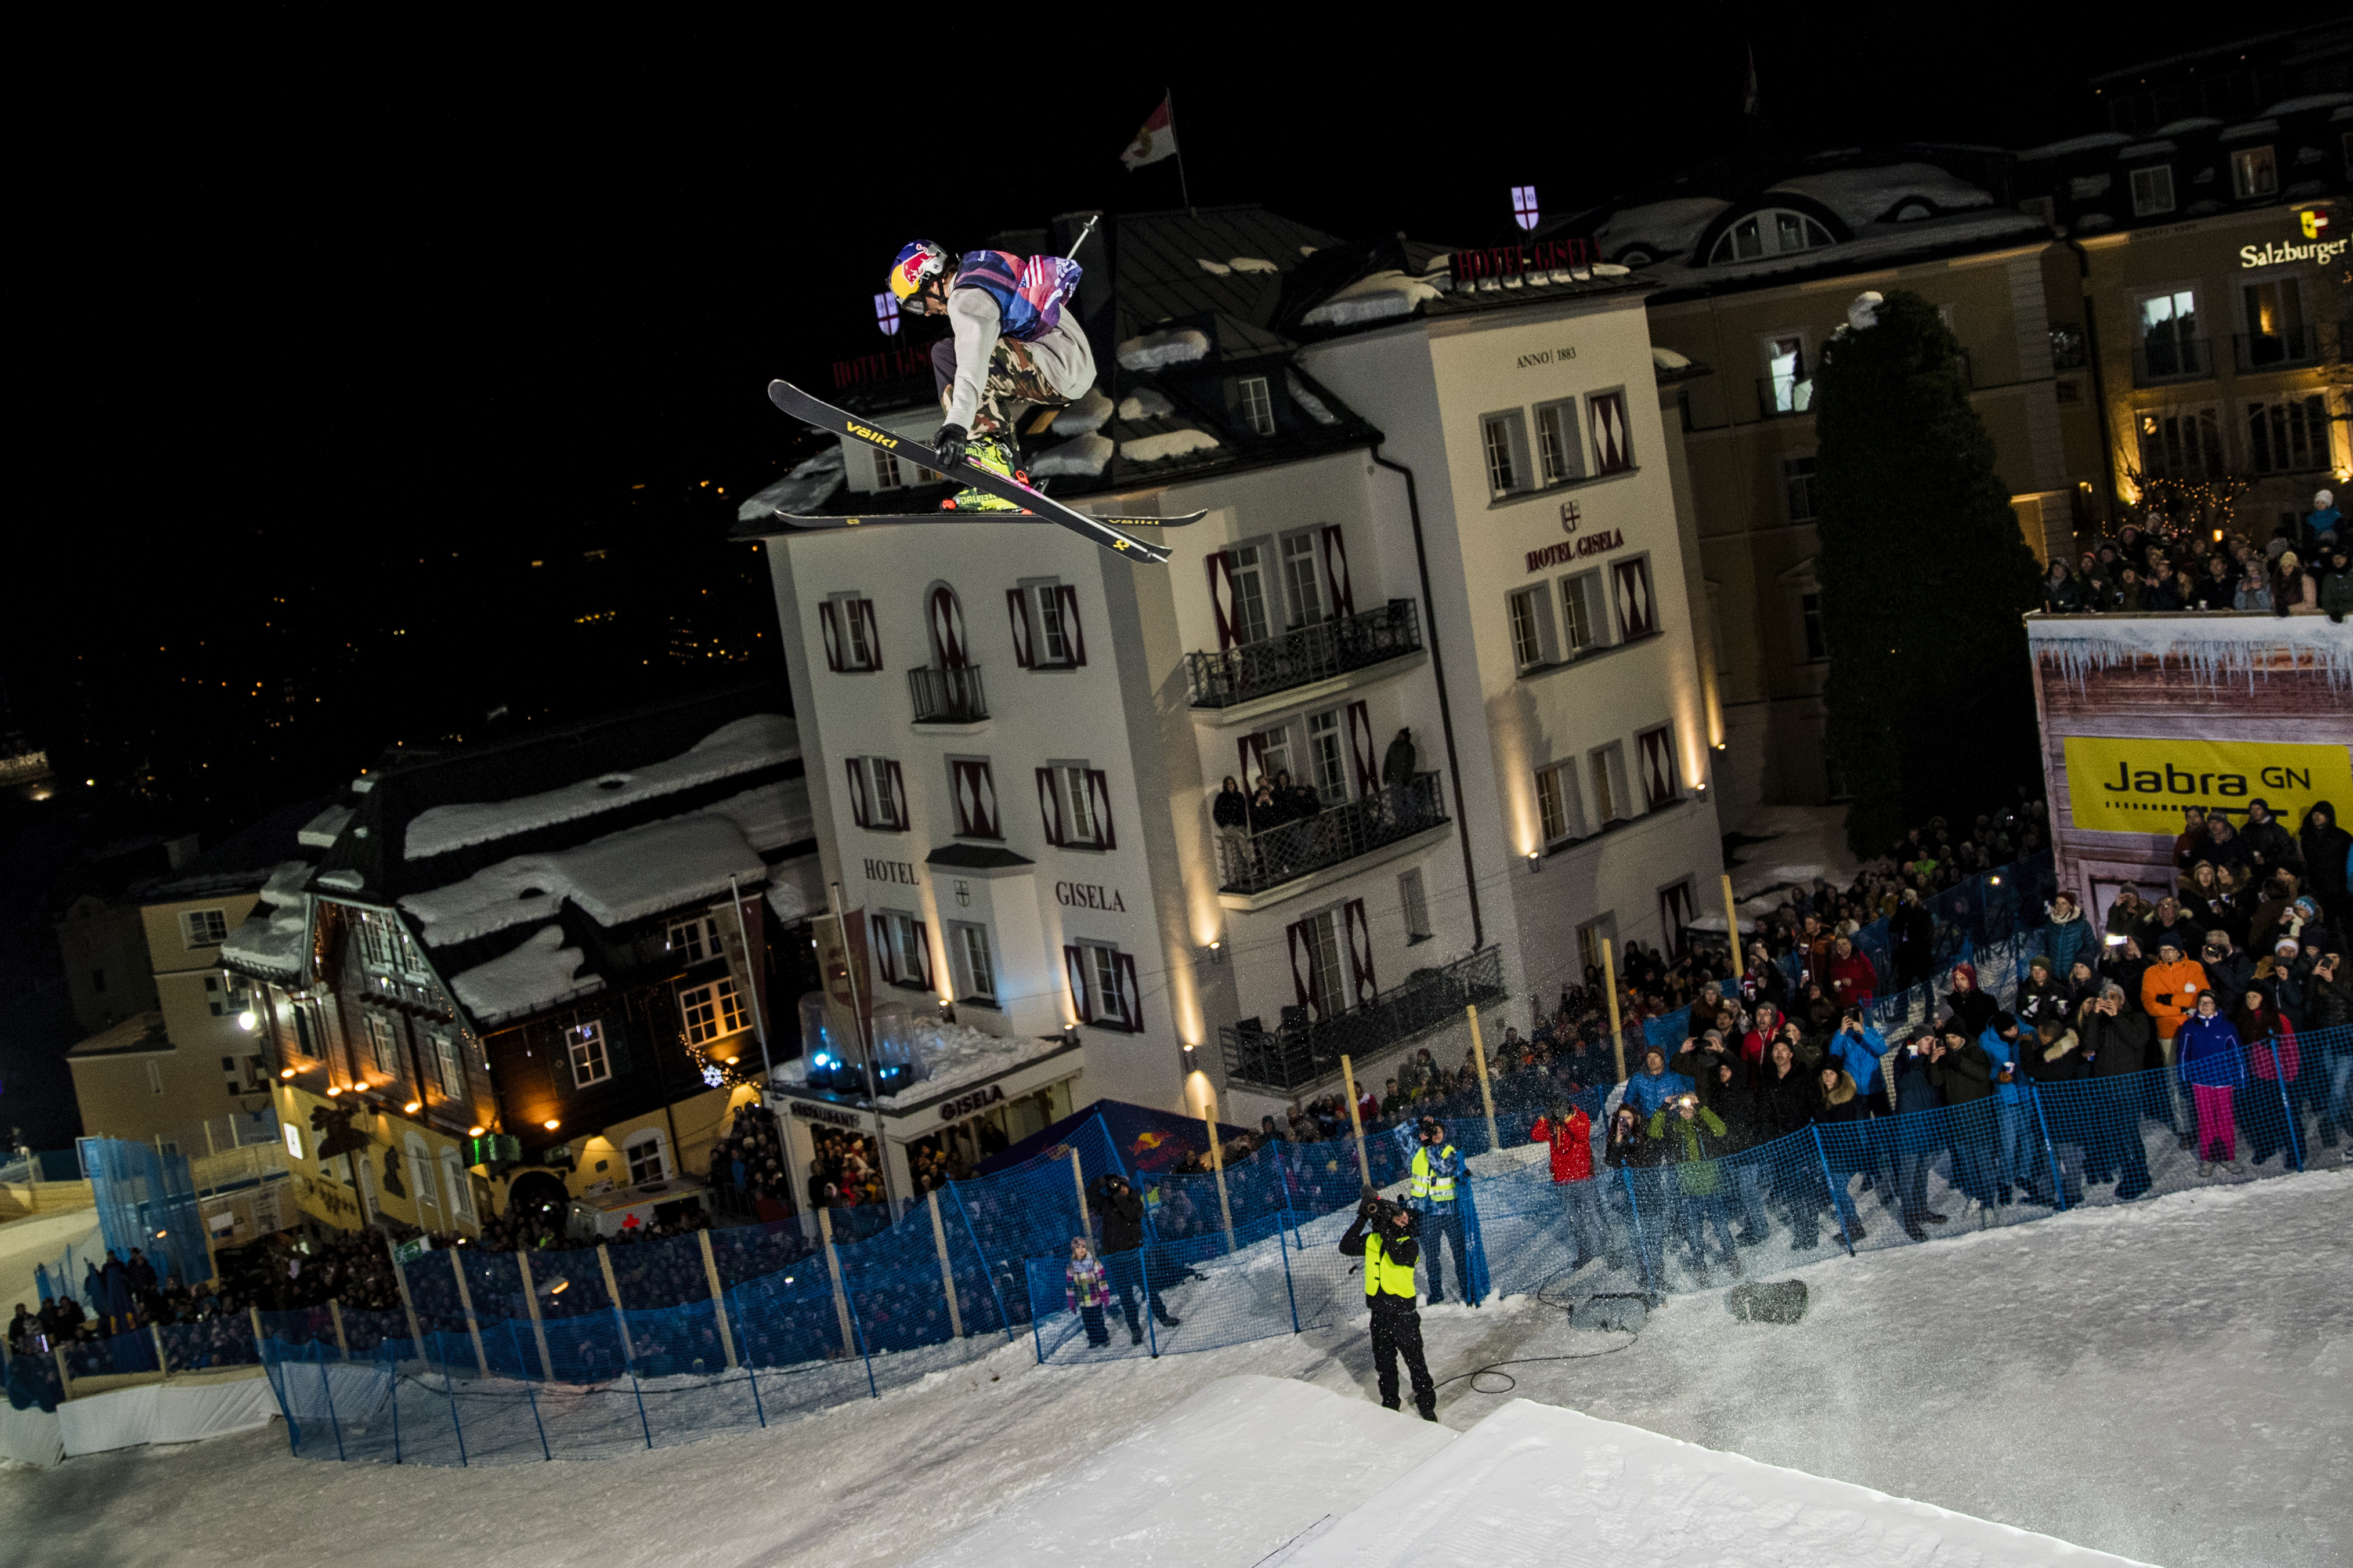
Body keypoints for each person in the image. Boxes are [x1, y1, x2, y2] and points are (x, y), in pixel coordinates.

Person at [889, 238, 1094, 512]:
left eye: (916, 302)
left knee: (946, 355)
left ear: (933, 281)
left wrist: (958, 424)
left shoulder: (966, 298)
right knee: (963, 358)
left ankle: (993, 465)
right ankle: (1011, 475)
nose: (925, 313)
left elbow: (972, 361)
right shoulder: (981, 264)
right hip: (1068, 359)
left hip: (1058, 365)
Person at [1338, 1192, 1438, 1421]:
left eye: (1406, 1218)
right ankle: (1390, 1405)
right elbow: (1346, 1246)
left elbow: (1397, 1257)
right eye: (1399, 1215)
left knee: (1416, 1364)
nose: (1401, 1219)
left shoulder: (1410, 1245)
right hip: (1380, 1315)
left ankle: (1426, 1405)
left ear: (1411, 1225)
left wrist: (1383, 1228)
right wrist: (1362, 1217)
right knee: (1385, 1366)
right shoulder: (1374, 1240)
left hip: (1404, 1317)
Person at [1646, 1092, 1740, 1283]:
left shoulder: (1703, 1125)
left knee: (1721, 1227)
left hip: (1713, 1186)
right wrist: (1665, 1106)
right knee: (1694, 1232)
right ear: (1678, 1110)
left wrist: (1701, 1105)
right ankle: (1700, 1266)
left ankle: (1731, 1258)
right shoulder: (1675, 1129)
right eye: (1682, 1107)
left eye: (1689, 1107)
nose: (1686, 1111)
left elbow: (1721, 1129)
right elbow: (1653, 1132)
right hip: (1688, 1191)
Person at [2079, 982, 2153, 1200]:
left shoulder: (2136, 1017)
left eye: (2113, 997)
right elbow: (2089, 1045)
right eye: (2105, 997)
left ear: (2121, 1000)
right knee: (2114, 1133)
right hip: (2105, 1088)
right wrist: (2094, 1015)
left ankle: (2141, 1174)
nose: (2109, 1000)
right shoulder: (2099, 1021)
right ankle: (2129, 1173)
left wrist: (2116, 1017)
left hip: (2129, 1088)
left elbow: (2138, 1041)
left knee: (2130, 1133)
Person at [1086, 1173, 1179, 1345]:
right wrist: (1105, 1179)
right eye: (1118, 1186)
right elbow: (1090, 1194)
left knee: (1148, 1288)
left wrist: (1121, 1197)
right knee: (1126, 1296)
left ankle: (1163, 1316)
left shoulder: (1135, 1203)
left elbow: (1131, 1215)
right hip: (1116, 1257)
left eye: (1124, 1186)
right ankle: (1135, 1329)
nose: (1120, 1188)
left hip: (1134, 1254)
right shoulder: (1106, 1204)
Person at [1528, 1102, 1606, 1268]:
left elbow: (1582, 1133)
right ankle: (1585, 1252)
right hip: (1563, 1181)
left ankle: (1610, 1250)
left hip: (1584, 1178)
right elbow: (1536, 1135)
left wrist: (1568, 1117)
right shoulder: (1552, 1124)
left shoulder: (1581, 1117)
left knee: (1594, 1216)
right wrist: (1544, 1117)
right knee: (1575, 1220)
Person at [2175, 991, 2244, 1175]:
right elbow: (2183, 1055)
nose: (2205, 1006)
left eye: (2209, 1002)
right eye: (2202, 1003)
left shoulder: (2227, 1027)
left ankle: (2228, 1156)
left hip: (2224, 1081)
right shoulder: (2189, 1027)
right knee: (2205, 1120)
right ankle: (2208, 1158)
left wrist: (2241, 1079)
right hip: (2201, 1082)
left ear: (2216, 1005)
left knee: (2226, 1119)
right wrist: (2183, 1080)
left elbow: (2237, 1055)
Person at [1408, 1118, 1474, 1305]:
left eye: (1439, 1132)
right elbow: (1401, 1135)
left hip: (1450, 1213)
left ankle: (1465, 1290)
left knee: (1459, 1254)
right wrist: (1418, 1121)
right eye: (1432, 1132)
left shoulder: (1449, 1151)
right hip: (1428, 1214)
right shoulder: (1417, 1151)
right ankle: (1436, 1292)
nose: (1437, 1135)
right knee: (1432, 1257)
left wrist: (1429, 1145)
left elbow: (1443, 1169)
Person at [1889, 1033, 1949, 1240]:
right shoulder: (1904, 1060)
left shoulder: (1931, 1060)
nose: (1931, 1044)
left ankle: (1921, 1209)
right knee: (1908, 1174)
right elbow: (1903, 1086)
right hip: (1909, 1127)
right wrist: (1918, 1062)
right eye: (1926, 1040)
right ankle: (1909, 1219)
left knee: (1922, 1170)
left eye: (1934, 1039)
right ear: (1916, 1042)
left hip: (1929, 1125)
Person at [1622, 1044, 1694, 1118]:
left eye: (1656, 1057)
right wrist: (1637, 1115)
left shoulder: (1673, 1078)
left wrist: (1673, 1102)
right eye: (1649, 1057)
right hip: (1646, 1121)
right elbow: (1628, 1100)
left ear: (1662, 1060)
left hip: (1668, 1121)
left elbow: (1683, 1098)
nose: (1652, 1060)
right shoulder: (1638, 1079)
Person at [1065, 1237, 1112, 1348]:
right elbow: (1069, 1285)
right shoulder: (1071, 1267)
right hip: (1083, 1300)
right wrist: (1071, 1300)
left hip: (1096, 1297)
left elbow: (1102, 1279)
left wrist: (1105, 1295)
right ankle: (1093, 1339)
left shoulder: (1094, 1263)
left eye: (1083, 1247)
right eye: (1078, 1248)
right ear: (1074, 1250)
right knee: (1088, 1321)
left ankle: (1103, 1338)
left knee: (1098, 1319)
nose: (1081, 1250)